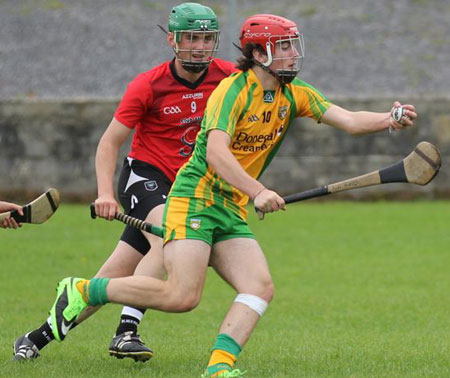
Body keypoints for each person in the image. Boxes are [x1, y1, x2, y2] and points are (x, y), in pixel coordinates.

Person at [35, 14, 417, 377]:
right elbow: (217, 153)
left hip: (229, 207)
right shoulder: (232, 91)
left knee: (259, 286)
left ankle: (219, 364)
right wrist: (258, 190)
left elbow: (348, 119)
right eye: (282, 47)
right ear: (258, 54)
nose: (292, 53)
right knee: (183, 296)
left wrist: (388, 119)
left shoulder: (294, 94)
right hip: (195, 199)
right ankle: (84, 289)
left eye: (291, 45)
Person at [13, 2, 236, 362]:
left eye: (207, 38)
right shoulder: (148, 84)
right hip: (145, 178)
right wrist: (105, 194)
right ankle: (127, 331)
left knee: (109, 279)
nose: (199, 46)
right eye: (191, 38)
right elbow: (109, 143)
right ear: (173, 40)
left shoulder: (228, 77)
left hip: (186, 188)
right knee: (171, 238)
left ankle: (34, 339)